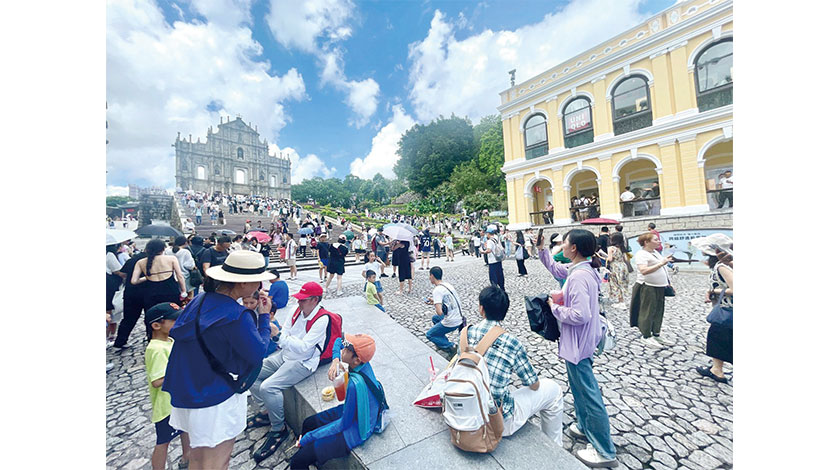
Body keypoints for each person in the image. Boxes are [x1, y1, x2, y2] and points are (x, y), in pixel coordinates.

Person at [163, 251, 274, 470]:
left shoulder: (199, 300)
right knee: (217, 462)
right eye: (257, 280)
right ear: (243, 282)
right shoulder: (237, 315)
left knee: (196, 459)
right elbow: (258, 352)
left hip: (187, 387)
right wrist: (263, 318)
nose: (260, 285)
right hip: (214, 395)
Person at [541, 230, 618, 468]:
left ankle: (605, 450)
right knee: (578, 387)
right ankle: (585, 426)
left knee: (588, 393)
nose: (562, 245)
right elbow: (556, 269)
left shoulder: (579, 276)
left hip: (578, 342)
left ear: (573, 248)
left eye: (564, 242)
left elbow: (579, 315)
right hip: (582, 339)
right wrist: (542, 249)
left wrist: (554, 307)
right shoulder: (582, 268)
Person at [464, 286, 565, 450]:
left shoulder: (466, 333)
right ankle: (554, 447)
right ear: (504, 312)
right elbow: (533, 384)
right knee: (554, 390)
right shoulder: (511, 342)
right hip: (496, 421)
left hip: (465, 410)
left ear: (481, 309)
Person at [248, 282, 331, 462]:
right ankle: (266, 411)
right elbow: (285, 333)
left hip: (303, 363)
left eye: (303, 300)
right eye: (299, 299)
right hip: (285, 355)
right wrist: (280, 336)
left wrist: (279, 336)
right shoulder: (296, 310)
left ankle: (279, 429)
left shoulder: (322, 319)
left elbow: (304, 348)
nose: (299, 302)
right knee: (251, 373)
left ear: (315, 300)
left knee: (268, 387)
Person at [290, 334, 385, 470]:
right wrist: (335, 360)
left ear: (356, 360)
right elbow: (339, 340)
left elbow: (343, 424)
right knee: (308, 423)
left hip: (354, 431)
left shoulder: (354, 385)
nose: (343, 349)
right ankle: (310, 454)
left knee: (297, 461)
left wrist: (308, 438)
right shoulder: (362, 362)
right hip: (355, 410)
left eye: (347, 349)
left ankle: (307, 454)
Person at [144, 302, 191, 470]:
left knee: (185, 429)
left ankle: (187, 458)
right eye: (174, 321)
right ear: (156, 325)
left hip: (179, 399)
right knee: (163, 441)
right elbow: (157, 381)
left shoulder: (170, 340)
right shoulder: (156, 349)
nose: (180, 323)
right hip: (166, 406)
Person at [694, 235, 734, 383]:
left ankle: (717, 371)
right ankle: (716, 369)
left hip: (726, 309)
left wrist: (714, 291)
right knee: (718, 338)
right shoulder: (725, 264)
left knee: (717, 337)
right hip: (726, 308)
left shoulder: (721, 266)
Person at [629, 233, 674, 348]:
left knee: (659, 310)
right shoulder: (641, 254)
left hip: (660, 286)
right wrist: (661, 263)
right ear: (646, 242)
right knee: (648, 311)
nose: (659, 241)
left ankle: (656, 333)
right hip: (648, 286)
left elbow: (663, 269)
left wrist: (668, 283)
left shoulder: (655, 253)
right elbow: (644, 270)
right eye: (655, 240)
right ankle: (646, 335)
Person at [131, 239, 188, 312]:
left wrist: (146, 277)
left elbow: (134, 281)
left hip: (151, 292)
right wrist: (183, 291)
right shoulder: (171, 259)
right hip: (170, 290)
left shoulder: (140, 262)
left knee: (153, 314)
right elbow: (179, 276)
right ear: (163, 248)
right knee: (173, 313)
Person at [424, 266, 464, 355]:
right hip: (459, 316)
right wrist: (435, 302)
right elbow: (448, 303)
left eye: (429, 276)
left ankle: (451, 346)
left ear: (432, 276)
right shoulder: (447, 285)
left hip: (452, 321)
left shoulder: (437, 290)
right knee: (435, 318)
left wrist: (436, 304)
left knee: (430, 334)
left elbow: (439, 312)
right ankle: (442, 341)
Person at [107, 243, 126, 344]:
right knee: (109, 311)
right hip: (109, 286)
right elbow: (118, 270)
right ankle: (109, 336)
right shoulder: (109, 255)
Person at [606, 232, 630, 309]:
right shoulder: (622, 248)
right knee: (622, 283)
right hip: (623, 266)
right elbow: (626, 259)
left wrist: (605, 258)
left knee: (616, 283)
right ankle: (623, 301)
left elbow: (610, 259)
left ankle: (621, 301)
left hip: (615, 266)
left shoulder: (611, 248)